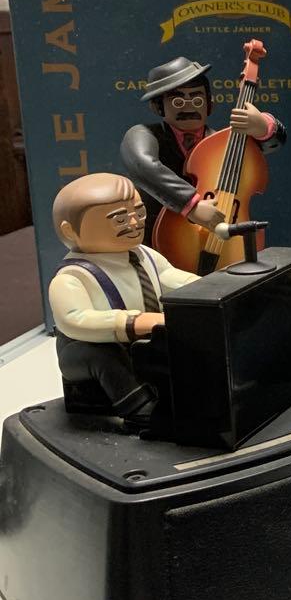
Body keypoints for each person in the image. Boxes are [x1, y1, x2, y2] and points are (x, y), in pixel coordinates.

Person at [48, 173, 199, 423]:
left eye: (139, 213)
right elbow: (75, 319)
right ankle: (138, 407)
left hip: (145, 337)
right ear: (70, 231)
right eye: (119, 219)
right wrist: (131, 322)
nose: (134, 222)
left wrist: (207, 288)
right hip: (87, 351)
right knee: (104, 355)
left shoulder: (144, 255)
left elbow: (170, 277)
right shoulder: (72, 277)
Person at [120, 54, 287, 237]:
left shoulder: (221, 144)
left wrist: (263, 127)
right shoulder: (145, 134)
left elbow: (265, 146)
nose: (188, 108)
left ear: (210, 104)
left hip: (220, 233)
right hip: (158, 235)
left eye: (197, 100)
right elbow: (142, 165)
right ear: (158, 107)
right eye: (178, 101)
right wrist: (190, 204)